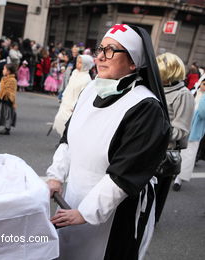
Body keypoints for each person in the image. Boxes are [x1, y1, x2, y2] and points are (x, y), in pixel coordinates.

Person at [46, 24, 170, 260]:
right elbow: (68, 138)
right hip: (73, 197)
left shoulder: (146, 108)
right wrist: (55, 176)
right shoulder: (91, 89)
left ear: (133, 62)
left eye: (111, 50)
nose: (101, 56)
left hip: (114, 211)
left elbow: (125, 173)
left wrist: (86, 212)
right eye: (100, 48)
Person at [154, 52, 195, 221]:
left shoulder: (183, 95)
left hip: (164, 151)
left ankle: (151, 223)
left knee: (156, 195)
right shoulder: (156, 87)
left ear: (169, 72)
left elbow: (181, 130)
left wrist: (153, 130)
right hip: (148, 147)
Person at [173, 78, 205, 191]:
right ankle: (173, 172)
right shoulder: (193, 91)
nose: (203, 86)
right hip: (183, 126)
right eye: (203, 83)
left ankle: (179, 179)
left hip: (195, 130)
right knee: (177, 152)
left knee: (188, 155)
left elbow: (202, 112)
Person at [52, 55, 94, 136]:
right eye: (77, 62)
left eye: (81, 63)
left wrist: (75, 106)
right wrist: (63, 97)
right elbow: (68, 87)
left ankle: (67, 141)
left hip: (73, 105)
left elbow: (83, 95)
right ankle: (62, 138)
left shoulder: (86, 79)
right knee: (60, 121)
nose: (78, 64)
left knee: (69, 125)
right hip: (66, 102)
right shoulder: (74, 73)